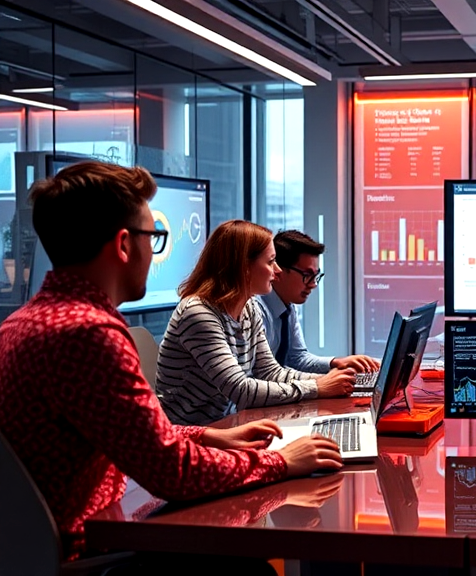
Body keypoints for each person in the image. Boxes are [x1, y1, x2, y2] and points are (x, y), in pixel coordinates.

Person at [0, 162, 343, 566]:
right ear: (125, 245)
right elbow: (172, 474)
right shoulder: (88, 334)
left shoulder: (27, 321)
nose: (154, 251)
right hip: (90, 549)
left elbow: (136, 435)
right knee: (247, 564)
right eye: (155, 237)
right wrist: (281, 461)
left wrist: (208, 436)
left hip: (58, 540)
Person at [156, 220, 356, 426]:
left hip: (227, 425)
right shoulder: (198, 313)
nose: (277, 270)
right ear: (243, 267)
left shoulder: (248, 308)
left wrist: (329, 382)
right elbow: (241, 390)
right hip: (191, 435)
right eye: (270, 262)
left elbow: (270, 372)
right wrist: (318, 387)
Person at [256, 230, 378, 374]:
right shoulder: (256, 311)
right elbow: (262, 375)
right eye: (307, 275)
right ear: (278, 271)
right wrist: (321, 385)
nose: (313, 284)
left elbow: (297, 358)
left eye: (316, 276)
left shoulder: (288, 306)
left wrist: (336, 363)